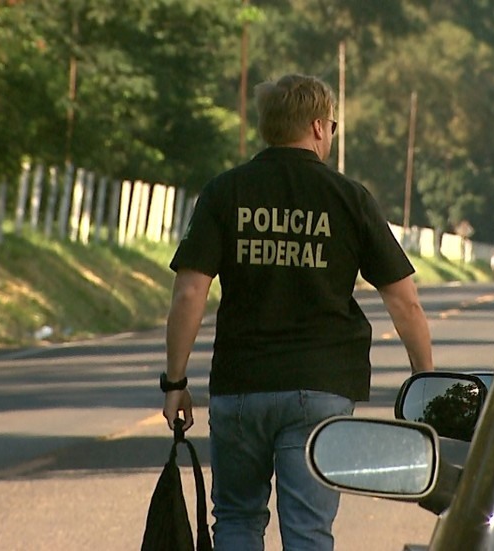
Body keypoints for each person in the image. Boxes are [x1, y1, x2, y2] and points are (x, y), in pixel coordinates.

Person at [160, 73, 434, 551]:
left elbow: (189, 294)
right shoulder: (350, 198)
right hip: (322, 389)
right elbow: (404, 301)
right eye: (331, 125)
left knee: (239, 520)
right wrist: (426, 383)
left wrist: (175, 382)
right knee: (308, 530)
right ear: (316, 127)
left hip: (242, 385)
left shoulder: (225, 192)